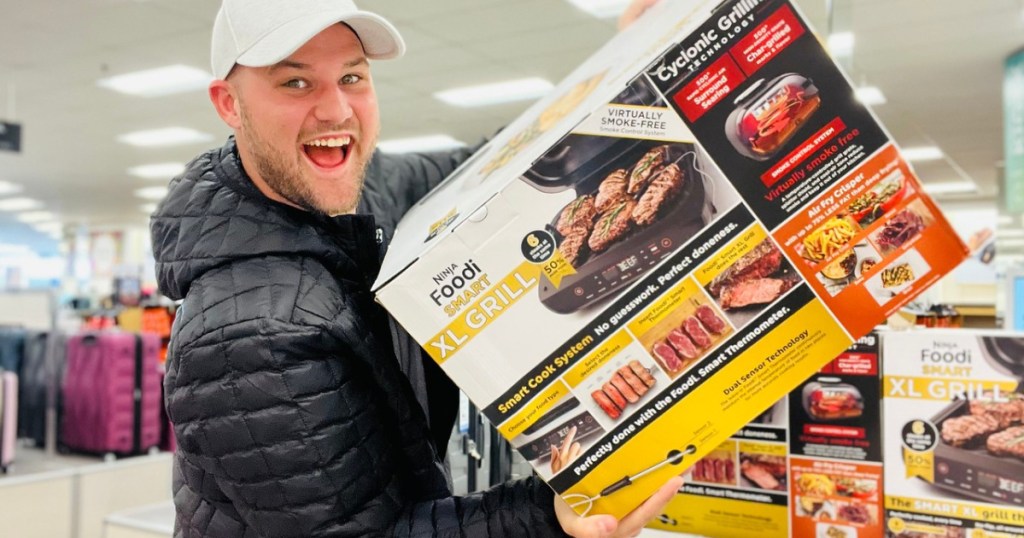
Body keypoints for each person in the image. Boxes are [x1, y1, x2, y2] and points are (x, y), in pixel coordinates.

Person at [150, 0, 679, 536]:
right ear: (229, 104)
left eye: (352, 76)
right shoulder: (246, 336)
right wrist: (544, 516)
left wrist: (631, 61)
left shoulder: (360, 190)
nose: (336, 110)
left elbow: (485, 167)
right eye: (295, 83)